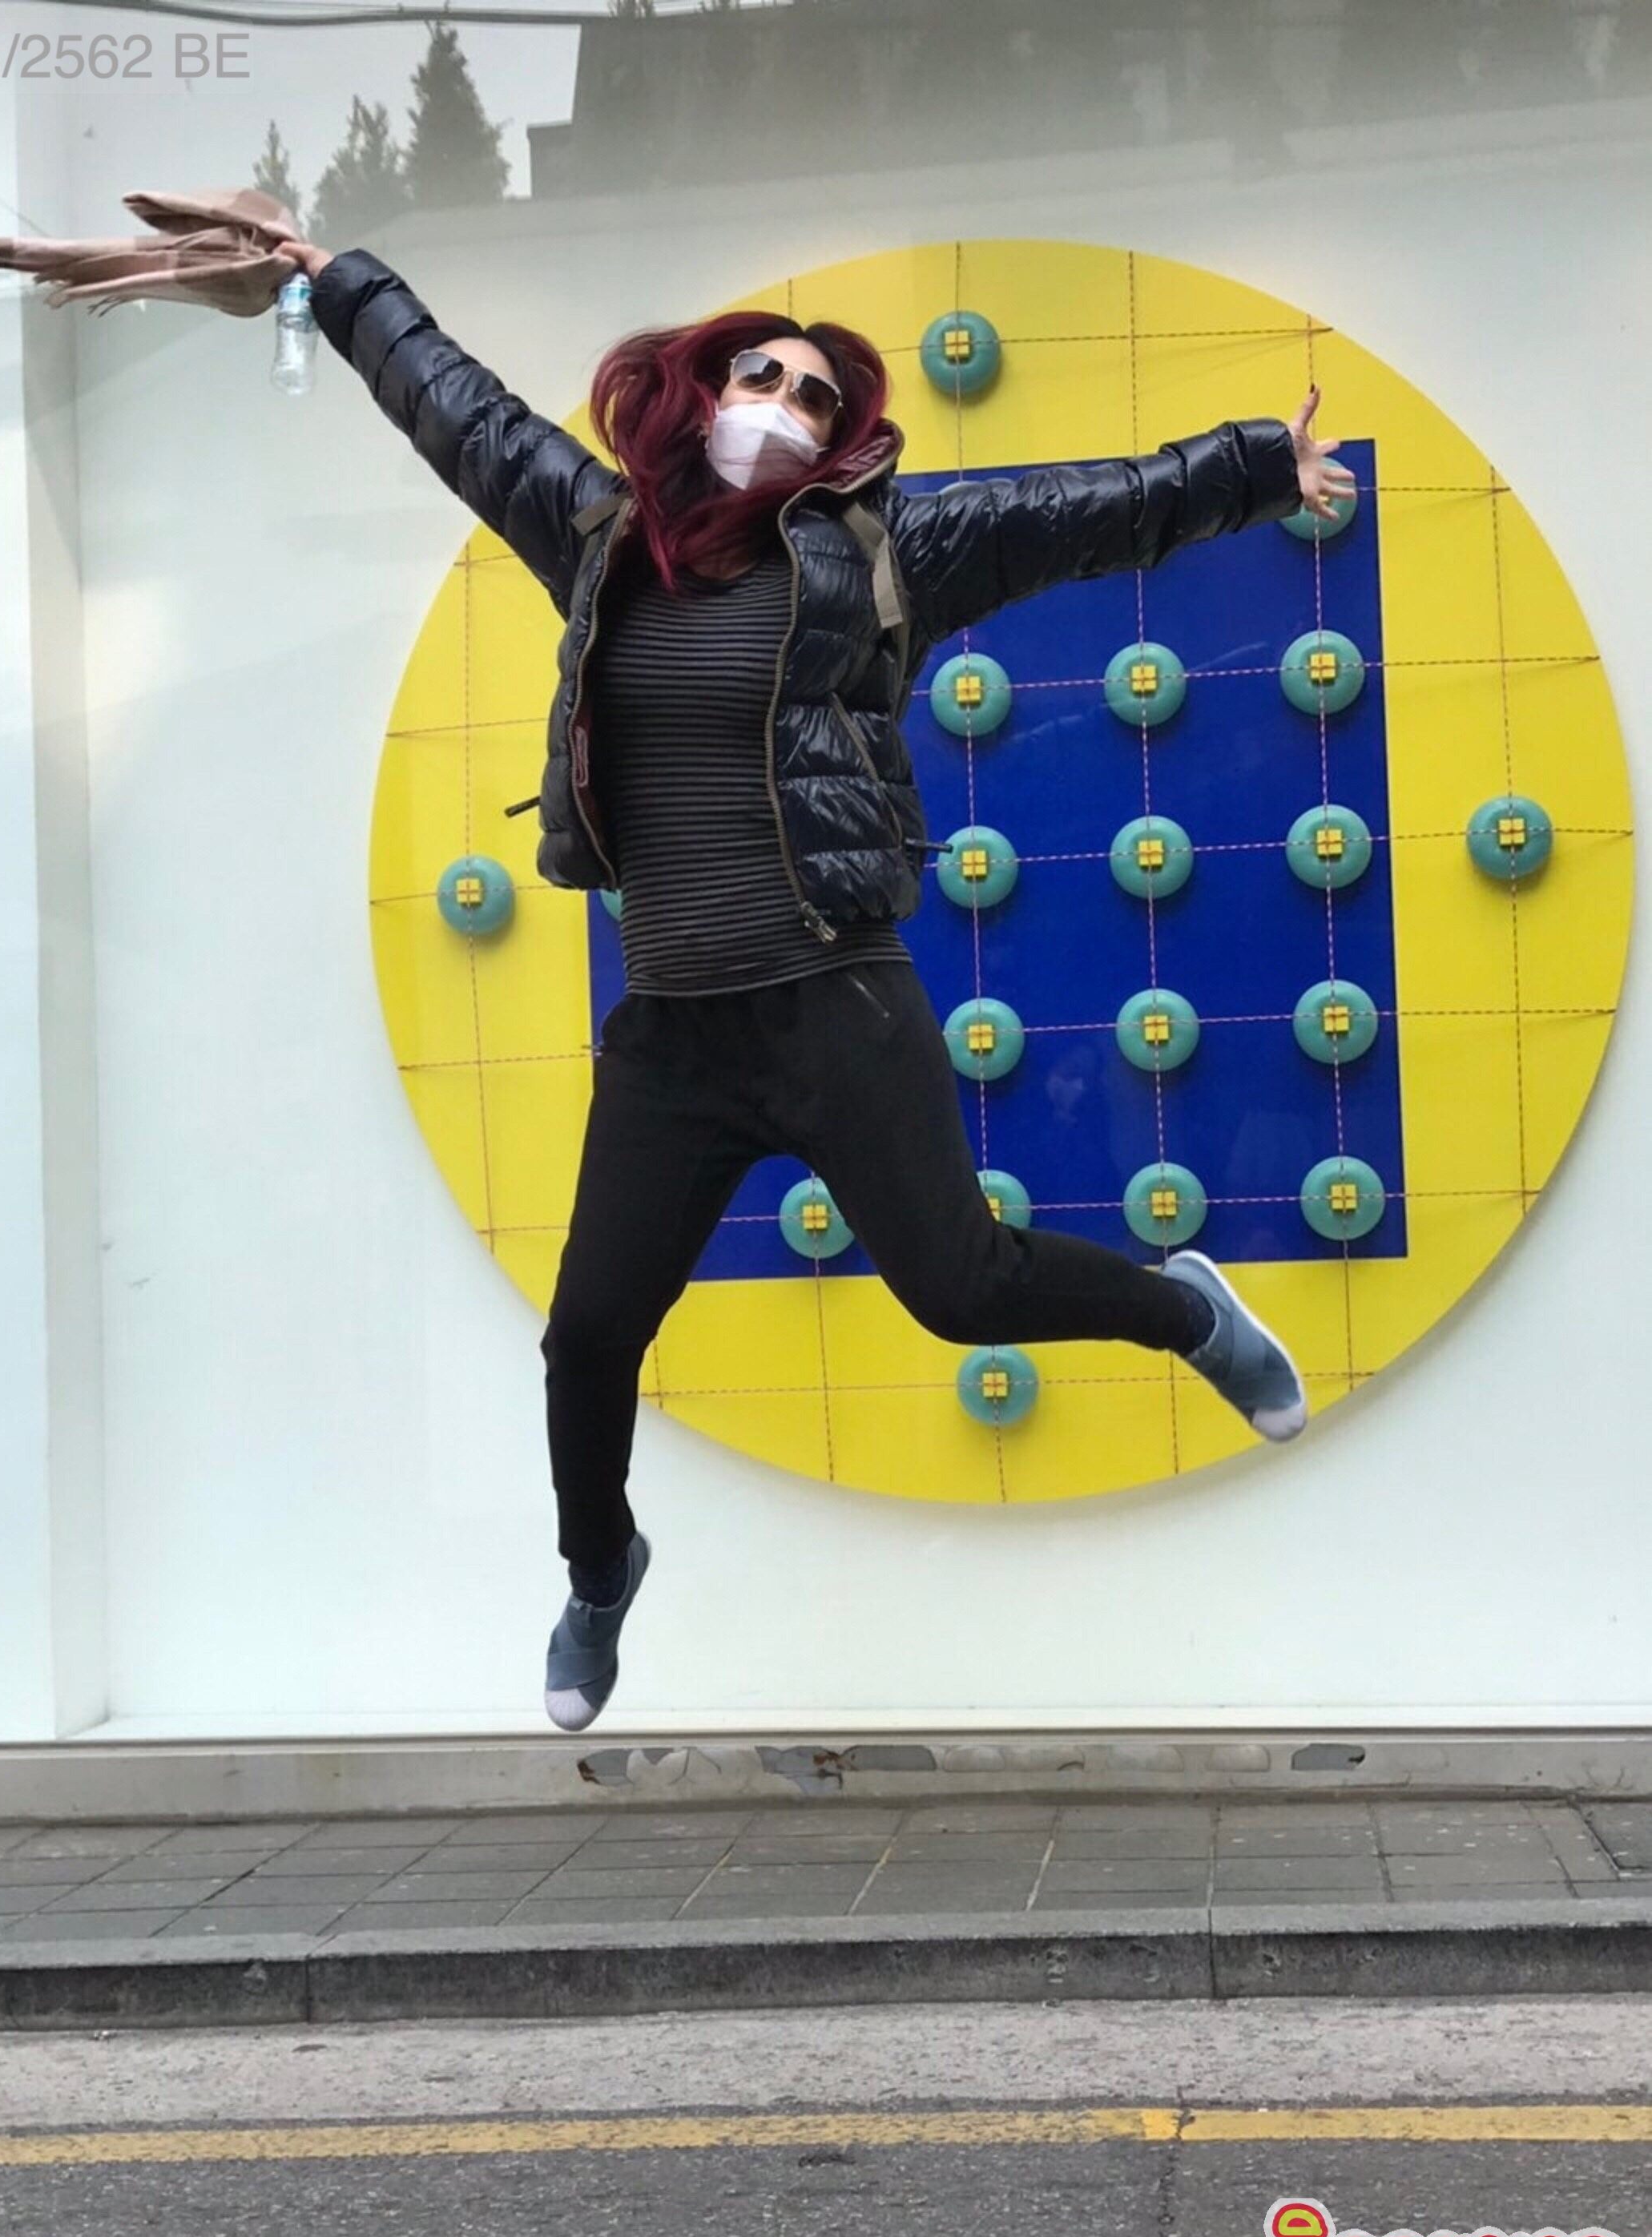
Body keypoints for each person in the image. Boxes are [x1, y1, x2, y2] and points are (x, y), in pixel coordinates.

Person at [281, 238, 1358, 1735]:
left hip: (831, 997)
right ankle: (599, 1576)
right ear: (703, 388)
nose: (785, 404)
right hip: (674, 1032)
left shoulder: (882, 548)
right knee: (588, 1336)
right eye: (763, 376)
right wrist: (333, 277)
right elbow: (457, 410)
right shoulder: (595, 532)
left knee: (963, 1290)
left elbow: (1081, 511)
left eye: (816, 396)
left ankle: (1183, 1314)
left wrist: (1248, 467)